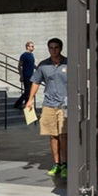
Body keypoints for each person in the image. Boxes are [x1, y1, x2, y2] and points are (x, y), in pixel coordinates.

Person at [25, 37, 68, 179]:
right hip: (49, 104)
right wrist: (30, 100)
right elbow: (35, 82)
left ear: (60, 48)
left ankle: (66, 164)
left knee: (63, 135)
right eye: (51, 48)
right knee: (53, 135)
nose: (53, 50)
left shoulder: (69, 63)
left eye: (56, 47)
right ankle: (57, 164)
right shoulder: (43, 65)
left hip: (65, 105)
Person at [14, 41, 36, 108]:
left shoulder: (32, 55)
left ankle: (26, 105)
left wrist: (37, 67)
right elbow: (19, 66)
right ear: (28, 47)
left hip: (32, 76)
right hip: (26, 76)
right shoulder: (24, 55)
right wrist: (21, 75)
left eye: (33, 46)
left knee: (30, 92)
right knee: (27, 91)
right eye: (31, 46)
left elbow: (32, 64)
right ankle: (17, 104)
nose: (33, 47)